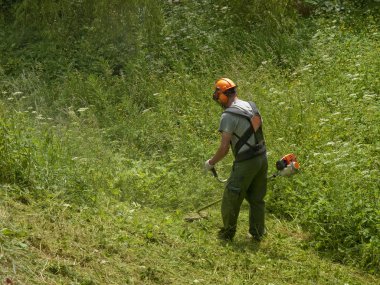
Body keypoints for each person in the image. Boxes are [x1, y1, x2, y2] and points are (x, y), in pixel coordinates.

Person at [204, 78, 268, 241]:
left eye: (218, 95)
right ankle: (257, 233)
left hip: (246, 162)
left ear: (223, 95)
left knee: (231, 197)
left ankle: (227, 233)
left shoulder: (228, 115)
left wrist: (211, 162)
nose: (218, 99)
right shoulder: (251, 106)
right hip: (261, 157)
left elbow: (224, 148)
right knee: (256, 198)